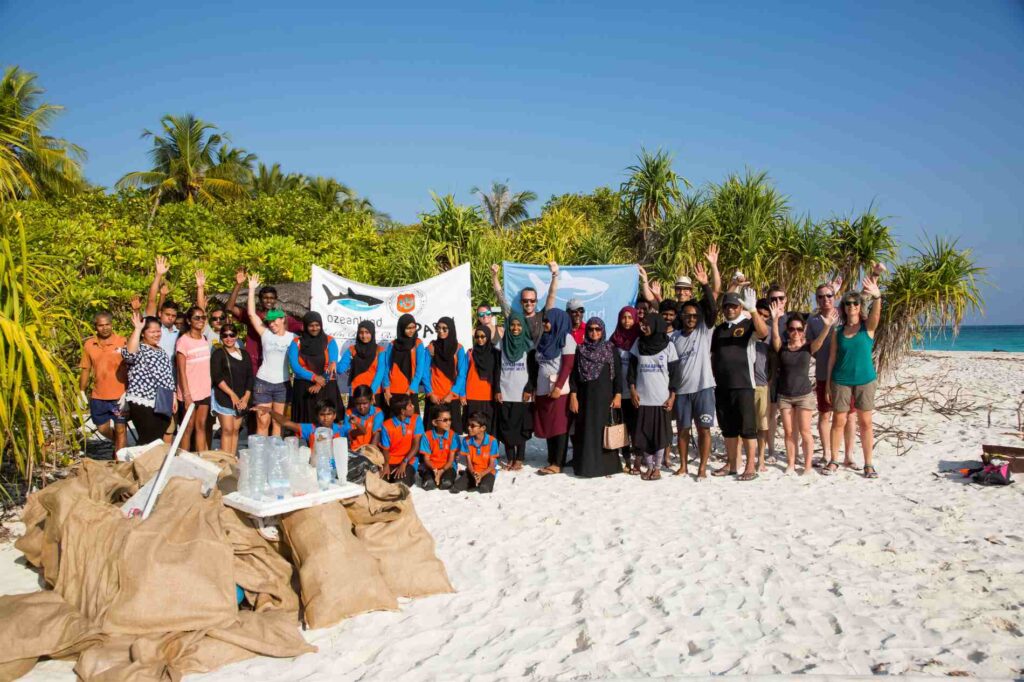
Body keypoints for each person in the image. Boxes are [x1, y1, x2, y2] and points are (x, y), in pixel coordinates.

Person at [825, 277, 883, 478]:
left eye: (855, 303)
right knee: (838, 420)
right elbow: (832, 358)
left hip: (865, 380)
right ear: (844, 307)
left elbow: (876, 316)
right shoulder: (838, 331)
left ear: (860, 306)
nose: (851, 306)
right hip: (841, 380)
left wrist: (877, 297)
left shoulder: (868, 327)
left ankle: (868, 464)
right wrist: (827, 384)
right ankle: (833, 460)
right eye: (848, 303)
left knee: (865, 422)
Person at [710, 291, 769, 481]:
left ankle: (750, 466)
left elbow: (763, 333)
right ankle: (732, 464)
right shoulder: (719, 330)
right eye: (727, 306)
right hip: (722, 387)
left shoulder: (748, 324)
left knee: (747, 429)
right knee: (728, 429)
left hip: (743, 385)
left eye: (734, 306)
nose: (730, 309)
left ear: (740, 307)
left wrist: (753, 311)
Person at [771, 304, 834, 475]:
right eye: (792, 329)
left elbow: (820, 341)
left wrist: (827, 326)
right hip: (784, 395)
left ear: (804, 329)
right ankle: (791, 464)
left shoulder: (808, 346)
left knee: (805, 431)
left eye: (799, 329)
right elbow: (775, 338)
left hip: (804, 395)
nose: (795, 332)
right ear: (787, 329)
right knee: (789, 432)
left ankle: (806, 466)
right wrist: (775, 320)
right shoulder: (782, 347)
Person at [671, 260, 718, 479]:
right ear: (682, 317)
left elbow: (712, 308)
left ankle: (701, 468)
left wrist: (706, 285)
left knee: (704, 430)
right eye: (687, 316)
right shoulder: (675, 338)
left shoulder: (704, 331)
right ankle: (682, 466)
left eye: (694, 316)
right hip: (681, 391)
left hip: (704, 388)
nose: (691, 318)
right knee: (682, 430)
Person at [807, 280, 856, 467]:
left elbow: (861, 308)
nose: (825, 299)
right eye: (821, 296)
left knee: (850, 415)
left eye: (829, 295)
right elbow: (812, 349)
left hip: (844, 375)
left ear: (835, 297)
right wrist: (826, 326)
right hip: (821, 373)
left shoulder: (844, 316)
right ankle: (827, 453)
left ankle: (848, 455)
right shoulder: (813, 320)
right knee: (824, 414)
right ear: (816, 300)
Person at [569, 317, 623, 478]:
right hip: (585, 398)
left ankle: (606, 467)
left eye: (598, 329)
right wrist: (573, 395)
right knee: (586, 431)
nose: (594, 332)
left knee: (604, 431)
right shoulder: (581, 349)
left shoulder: (610, 348)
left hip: (605, 398)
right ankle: (587, 466)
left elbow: (618, 374)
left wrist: (618, 394)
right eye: (591, 329)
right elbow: (574, 376)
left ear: (603, 331)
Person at [628, 315, 680, 480]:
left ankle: (657, 468)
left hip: (661, 399)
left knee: (660, 436)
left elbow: (675, 375)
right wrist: (632, 390)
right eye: (643, 324)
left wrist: (672, 396)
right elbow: (631, 370)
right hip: (642, 399)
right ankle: (649, 467)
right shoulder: (638, 343)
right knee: (643, 436)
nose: (644, 327)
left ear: (656, 325)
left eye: (647, 324)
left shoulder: (669, 346)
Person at [226, 267, 303, 374]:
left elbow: (303, 326)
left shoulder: (281, 318)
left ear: (275, 299)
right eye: (265, 297)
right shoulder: (254, 315)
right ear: (260, 299)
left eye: (271, 298)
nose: (268, 300)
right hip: (253, 363)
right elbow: (229, 307)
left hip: (275, 367)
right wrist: (238, 285)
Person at [246, 275, 296, 436]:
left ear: (283, 319)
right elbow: (252, 314)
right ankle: (261, 457)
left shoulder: (293, 338)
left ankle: (275, 457)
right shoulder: (265, 334)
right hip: (263, 382)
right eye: (270, 322)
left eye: (275, 321)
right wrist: (252, 288)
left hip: (283, 384)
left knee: (278, 422)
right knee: (263, 421)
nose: (272, 324)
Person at [530, 308, 576, 475]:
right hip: (543, 389)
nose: (545, 324)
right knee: (548, 425)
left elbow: (568, 365)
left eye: (547, 321)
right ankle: (551, 459)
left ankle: (558, 462)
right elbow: (538, 365)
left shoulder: (566, 338)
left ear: (557, 321)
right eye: (544, 321)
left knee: (559, 426)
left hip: (558, 391)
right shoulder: (544, 339)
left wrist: (558, 386)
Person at [121, 312, 176, 445]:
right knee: (148, 436)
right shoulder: (139, 348)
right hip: (142, 399)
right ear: (143, 333)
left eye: (158, 331)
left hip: (162, 400)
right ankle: (142, 464)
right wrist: (137, 328)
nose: (156, 334)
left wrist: (173, 396)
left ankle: (152, 464)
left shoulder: (161, 351)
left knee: (159, 435)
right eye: (152, 332)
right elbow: (129, 354)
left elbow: (167, 376)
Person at [79, 311, 128, 452]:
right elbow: (86, 369)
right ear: (96, 326)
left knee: (120, 429)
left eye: (107, 324)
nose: (105, 328)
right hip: (99, 396)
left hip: (119, 397)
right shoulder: (89, 345)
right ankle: (120, 445)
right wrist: (81, 391)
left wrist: (129, 390)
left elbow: (133, 366)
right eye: (101, 325)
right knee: (102, 428)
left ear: (112, 325)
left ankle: (121, 461)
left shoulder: (123, 342)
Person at [496, 311, 534, 470]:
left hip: (522, 394)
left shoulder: (529, 346)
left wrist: (529, 388)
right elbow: (497, 369)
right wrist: (497, 389)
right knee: (506, 426)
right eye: (512, 324)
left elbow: (533, 370)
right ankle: (510, 458)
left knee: (520, 427)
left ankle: (520, 458)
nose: (515, 328)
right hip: (505, 392)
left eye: (519, 325)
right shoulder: (501, 344)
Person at [288, 311, 341, 423]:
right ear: (305, 326)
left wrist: (319, 382)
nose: (314, 328)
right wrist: (314, 377)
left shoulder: (330, 341)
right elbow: (295, 366)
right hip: (305, 388)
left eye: (317, 325)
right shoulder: (296, 342)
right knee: (306, 423)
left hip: (326, 386)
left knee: (327, 423)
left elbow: (332, 365)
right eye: (311, 325)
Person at [490, 261, 560, 344]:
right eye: (525, 300)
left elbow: (551, 295)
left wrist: (555, 275)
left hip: (538, 356)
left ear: (536, 301)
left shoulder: (543, 317)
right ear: (521, 302)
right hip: (519, 356)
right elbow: (500, 297)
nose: (529, 303)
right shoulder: (514, 317)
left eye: (532, 300)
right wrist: (494, 276)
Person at [209, 323, 253, 455]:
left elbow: (250, 377)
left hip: (241, 398)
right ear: (221, 337)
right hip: (224, 397)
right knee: (227, 430)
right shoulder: (218, 354)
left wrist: (246, 397)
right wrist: (231, 394)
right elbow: (217, 377)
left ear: (237, 336)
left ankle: (232, 459)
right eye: (225, 335)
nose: (229, 338)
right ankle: (224, 460)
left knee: (235, 430)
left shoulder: (245, 354)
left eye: (232, 335)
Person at [175, 306, 212, 451]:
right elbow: (181, 371)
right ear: (189, 321)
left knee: (201, 425)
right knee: (187, 427)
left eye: (203, 317)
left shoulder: (204, 338)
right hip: (189, 391)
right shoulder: (183, 341)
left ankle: (200, 457)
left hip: (204, 390)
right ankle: (184, 459)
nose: (201, 320)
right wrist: (186, 395)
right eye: (197, 317)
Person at [610, 306, 641, 473]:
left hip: (637, 392)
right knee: (622, 427)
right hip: (619, 392)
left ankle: (637, 459)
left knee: (636, 427)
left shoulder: (641, 339)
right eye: (624, 317)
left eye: (630, 317)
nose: (627, 321)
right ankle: (626, 459)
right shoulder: (614, 340)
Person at [423, 317, 468, 432]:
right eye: (438, 328)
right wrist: (430, 393)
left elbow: (462, 374)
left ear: (451, 329)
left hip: (451, 399)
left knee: (453, 436)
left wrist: (452, 394)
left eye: (444, 329)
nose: (441, 331)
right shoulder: (431, 348)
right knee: (432, 435)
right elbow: (425, 373)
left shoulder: (458, 349)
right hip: (435, 398)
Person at [381, 314, 428, 414]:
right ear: (401, 328)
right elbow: (387, 367)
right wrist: (387, 390)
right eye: (408, 328)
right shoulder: (392, 345)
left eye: (413, 327)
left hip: (410, 391)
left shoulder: (418, 344)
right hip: (393, 391)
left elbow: (419, 369)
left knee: (412, 423)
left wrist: (412, 388)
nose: (411, 330)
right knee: (393, 423)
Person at [266, 398, 362, 448]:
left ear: (334, 416)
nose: (325, 418)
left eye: (329, 414)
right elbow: (286, 423)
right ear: (317, 416)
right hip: (317, 467)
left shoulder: (341, 429)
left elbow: (362, 432)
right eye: (322, 414)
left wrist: (357, 423)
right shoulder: (311, 428)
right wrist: (270, 411)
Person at [336, 320, 386, 402]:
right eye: (361, 332)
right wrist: (333, 362)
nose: (364, 335)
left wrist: (371, 391)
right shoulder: (352, 350)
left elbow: (380, 373)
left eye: (367, 332)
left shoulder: (380, 351)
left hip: (374, 393)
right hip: (356, 392)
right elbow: (340, 369)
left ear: (372, 333)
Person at [463, 325, 500, 433]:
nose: (480, 339)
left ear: (488, 337)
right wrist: (462, 394)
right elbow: (463, 374)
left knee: (488, 429)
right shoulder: (470, 353)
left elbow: (498, 374)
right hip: (472, 396)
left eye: (483, 336)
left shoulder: (495, 353)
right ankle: (472, 450)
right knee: (472, 428)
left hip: (489, 396)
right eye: (477, 336)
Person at [451, 412, 499, 494]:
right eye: (468, 425)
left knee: (484, 489)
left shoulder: (492, 441)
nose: (469, 428)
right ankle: (471, 480)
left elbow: (492, 465)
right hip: (472, 471)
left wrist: (481, 474)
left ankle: (476, 481)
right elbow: (469, 463)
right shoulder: (466, 441)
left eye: (472, 426)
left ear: (483, 428)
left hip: (488, 472)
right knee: (455, 488)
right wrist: (473, 473)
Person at [380, 393, 424, 485]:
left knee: (400, 484)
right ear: (402, 411)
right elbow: (386, 449)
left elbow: (416, 445)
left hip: (409, 460)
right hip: (390, 461)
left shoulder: (416, 419)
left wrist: (404, 463)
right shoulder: (386, 425)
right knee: (382, 482)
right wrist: (386, 464)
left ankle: (410, 476)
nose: (413, 406)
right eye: (410, 405)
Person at [753, 298, 774, 472]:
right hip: (743, 384)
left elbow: (776, 354)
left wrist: (770, 379)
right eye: (759, 313)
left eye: (766, 316)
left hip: (761, 383)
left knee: (762, 425)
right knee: (742, 424)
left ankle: (760, 458)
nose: (762, 318)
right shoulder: (743, 327)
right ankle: (738, 458)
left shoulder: (769, 332)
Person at [419, 404, 460, 491]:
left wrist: (441, 471)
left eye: (450, 419)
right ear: (434, 422)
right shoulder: (427, 436)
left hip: (448, 467)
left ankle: (443, 477)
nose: (448, 422)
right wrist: (434, 469)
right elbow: (426, 459)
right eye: (445, 420)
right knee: (428, 485)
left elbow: (451, 460)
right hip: (431, 466)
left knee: (446, 484)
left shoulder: (453, 436)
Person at [347, 385, 384, 451]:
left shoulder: (377, 412)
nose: (361, 407)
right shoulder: (348, 413)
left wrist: (370, 453)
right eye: (358, 404)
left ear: (371, 401)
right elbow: (351, 434)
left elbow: (377, 434)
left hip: (371, 449)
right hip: (354, 450)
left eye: (364, 403)